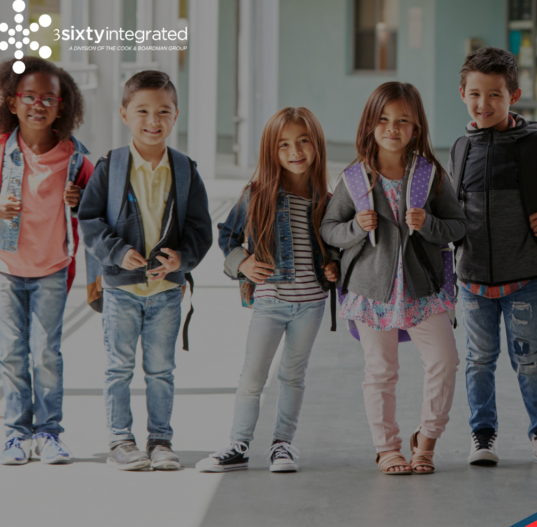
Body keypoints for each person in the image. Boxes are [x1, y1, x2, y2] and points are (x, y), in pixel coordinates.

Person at [321, 82, 465, 475]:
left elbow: (458, 225)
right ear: (370, 125)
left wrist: (430, 223)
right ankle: (387, 448)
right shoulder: (353, 179)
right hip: (371, 292)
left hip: (424, 291)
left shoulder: (430, 175)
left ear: (416, 128)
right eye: (383, 119)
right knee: (381, 370)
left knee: (445, 360)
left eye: (403, 120)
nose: (392, 127)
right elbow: (329, 229)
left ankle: (427, 440)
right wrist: (354, 227)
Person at [78, 70, 213, 470]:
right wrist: (117, 253)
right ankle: (121, 441)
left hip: (167, 291)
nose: (152, 120)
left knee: (161, 369)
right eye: (142, 111)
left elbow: (200, 228)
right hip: (121, 290)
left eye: (163, 111)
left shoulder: (186, 170)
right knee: (118, 367)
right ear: (124, 114)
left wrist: (182, 260)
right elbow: (89, 220)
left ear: (175, 116)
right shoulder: (111, 166)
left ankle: (160, 441)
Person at [450, 47, 537, 468]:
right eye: (474, 94)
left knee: (530, 362)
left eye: (495, 95)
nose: (483, 104)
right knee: (478, 361)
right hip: (472, 282)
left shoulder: (533, 146)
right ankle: (482, 436)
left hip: (525, 278)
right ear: (463, 94)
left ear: (514, 96)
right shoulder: (460, 149)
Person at [196, 108, 338, 473]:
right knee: (253, 376)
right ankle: (238, 443)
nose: (295, 151)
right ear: (271, 152)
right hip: (270, 303)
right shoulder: (257, 194)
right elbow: (227, 235)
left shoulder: (327, 198)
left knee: (293, 375)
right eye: (284, 145)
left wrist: (333, 265)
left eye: (303, 141)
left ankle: (282, 445)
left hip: (312, 305)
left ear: (317, 145)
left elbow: (336, 245)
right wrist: (242, 263)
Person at [0, 56, 92, 465]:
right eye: (29, 97)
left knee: (45, 353)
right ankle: (16, 434)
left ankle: (49, 433)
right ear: (11, 102)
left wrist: (81, 198)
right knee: (12, 353)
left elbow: (98, 203)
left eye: (49, 98)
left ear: (63, 105)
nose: (39, 105)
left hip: (51, 268)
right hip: (4, 266)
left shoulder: (75, 156)